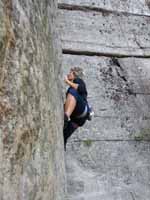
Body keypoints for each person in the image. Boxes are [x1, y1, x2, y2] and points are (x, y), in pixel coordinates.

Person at [63, 67, 92, 150]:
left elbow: (80, 88)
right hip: (79, 118)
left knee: (73, 92)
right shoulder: (74, 85)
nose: (68, 74)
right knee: (64, 136)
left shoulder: (79, 81)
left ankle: (66, 116)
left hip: (81, 109)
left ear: (75, 74)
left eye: (70, 72)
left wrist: (67, 81)